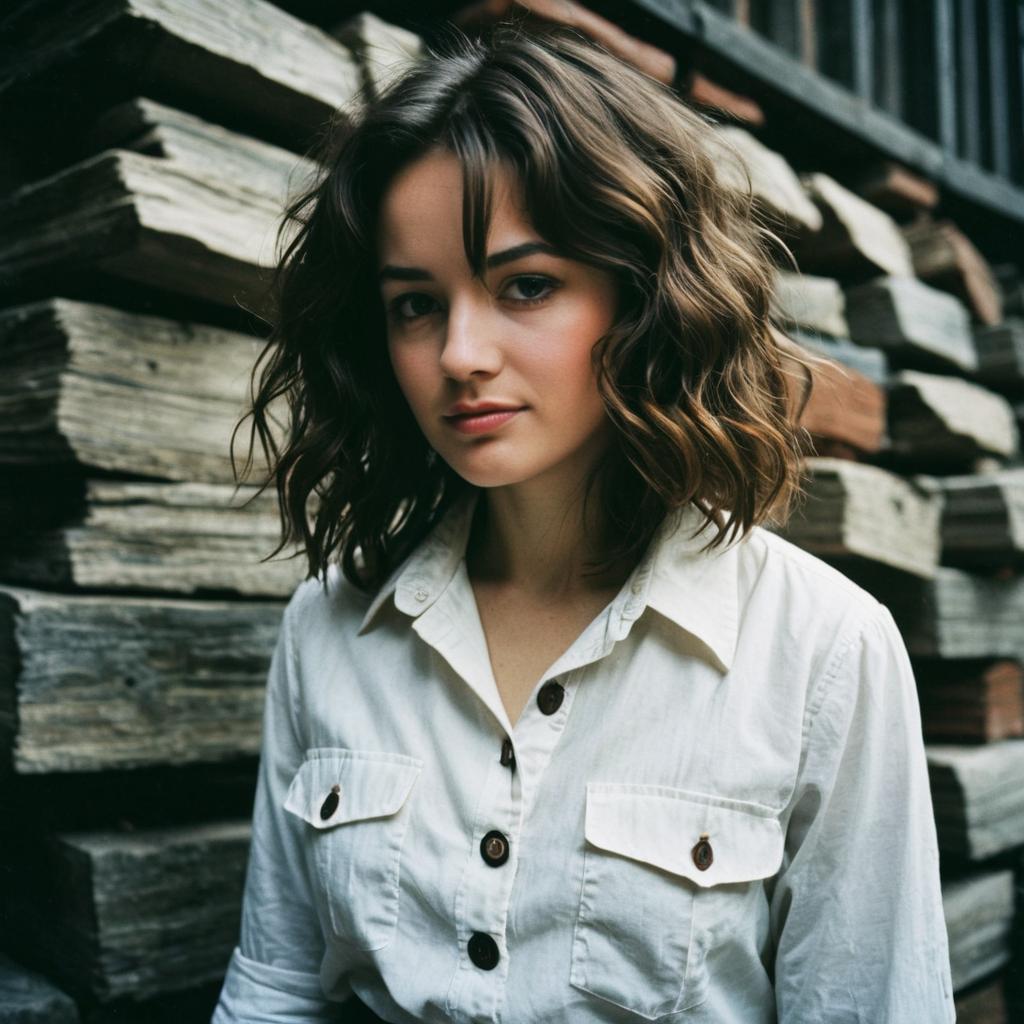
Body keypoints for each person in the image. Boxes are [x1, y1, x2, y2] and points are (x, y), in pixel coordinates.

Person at [211, 21, 955, 1024]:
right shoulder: (329, 628)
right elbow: (273, 988)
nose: (460, 352)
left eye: (525, 285)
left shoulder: (822, 651)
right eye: (414, 305)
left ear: (643, 294)